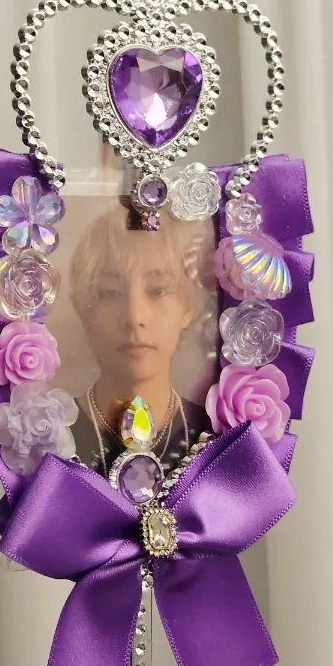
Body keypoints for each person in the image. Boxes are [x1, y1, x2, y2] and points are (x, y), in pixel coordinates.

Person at [69, 202, 216, 478]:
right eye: (110, 293)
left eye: (158, 290)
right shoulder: (51, 436)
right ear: (85, 309)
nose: (134, 316)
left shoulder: (212, 433)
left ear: (188, 307)